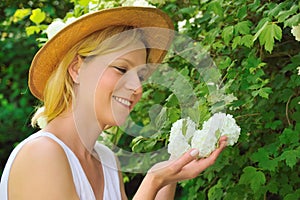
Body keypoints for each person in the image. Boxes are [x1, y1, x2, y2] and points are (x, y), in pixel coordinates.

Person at [0, 6, 227, 200]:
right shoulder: (42, 154)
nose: (136, 88)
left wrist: (168, 178)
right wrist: (153, 181)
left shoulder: (106, 160)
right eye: (121, 69)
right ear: (77, 69)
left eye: (140, 76)